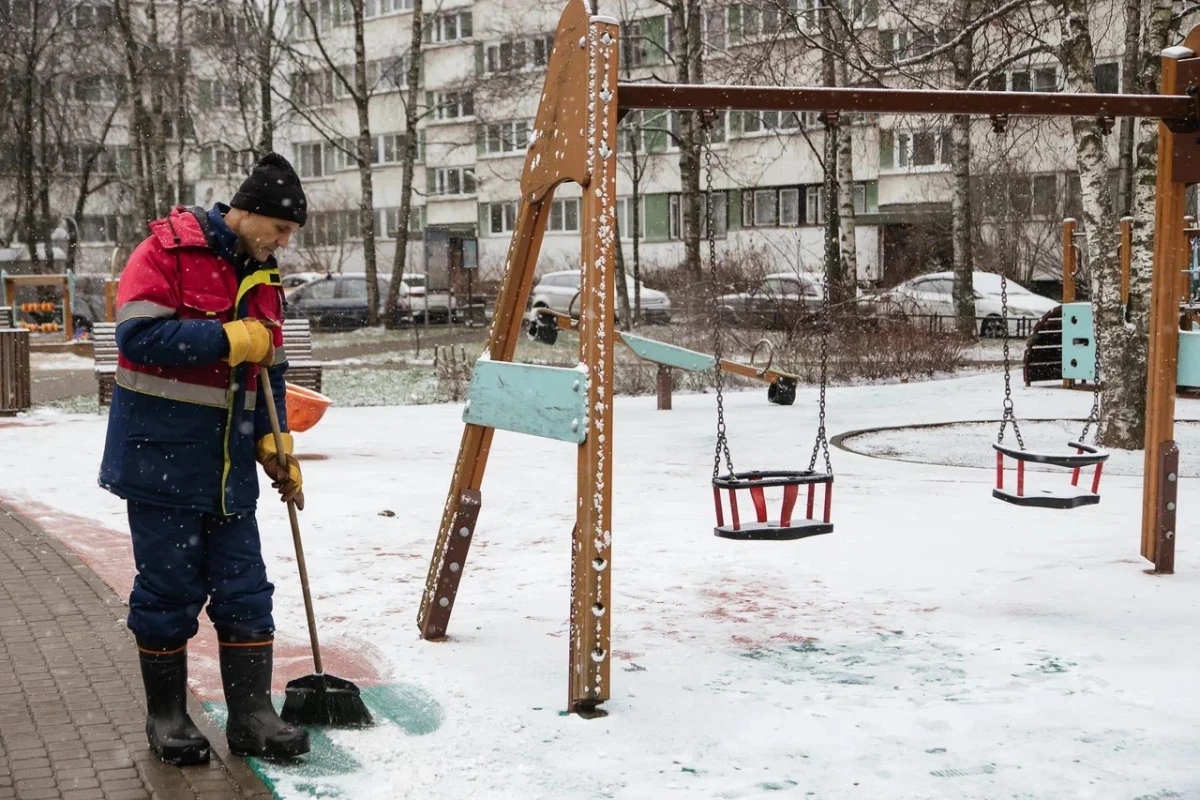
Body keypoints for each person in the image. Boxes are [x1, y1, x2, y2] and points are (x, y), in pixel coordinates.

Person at [99, 153, 311, 765]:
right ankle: (167, 717)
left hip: (228, 468)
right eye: (280, 229)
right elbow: (135, 337)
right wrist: (224, 337)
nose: (283, 242)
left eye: (289, 234)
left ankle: (251, 717)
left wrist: (274, 440)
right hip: (159, 461)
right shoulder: (166, 252)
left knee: (247, 589)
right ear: (248, 213)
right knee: (168, 592)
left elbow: (269, 363)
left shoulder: (263, 276)